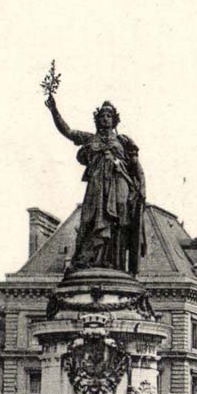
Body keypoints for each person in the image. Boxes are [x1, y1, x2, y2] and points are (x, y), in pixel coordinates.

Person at [45, 94, 146, 275]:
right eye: (102, 116)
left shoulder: (123, 141)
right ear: (98, 120)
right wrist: (54, 110)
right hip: (97, 185)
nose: (105, 119)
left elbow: (136, 167)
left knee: (120, 219)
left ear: (114, 120)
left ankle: (115, 263)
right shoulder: (91, 139)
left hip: (119, 181)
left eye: (109, 116)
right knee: (89, 218)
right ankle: (88, 259)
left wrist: (142, 188)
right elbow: (68, 131)